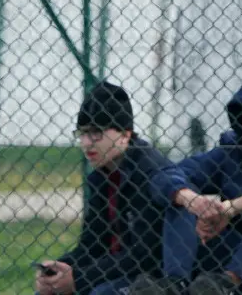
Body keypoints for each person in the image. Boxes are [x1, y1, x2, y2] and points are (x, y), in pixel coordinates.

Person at [129, 76, 242, 295]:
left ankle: (228, 283)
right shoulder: (231, 152)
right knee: (181, 193)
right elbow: (165, 176)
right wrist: (194, 201)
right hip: (224, 261)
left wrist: (231, 208)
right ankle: (175, 284)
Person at [35, 82, 180, 295]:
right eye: (82, 133)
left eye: (97, 132)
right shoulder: (102, 176)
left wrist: (79, 279)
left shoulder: (148, 171)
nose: (87, 142)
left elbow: (144, 255)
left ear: (125, 134)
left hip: (153, 278)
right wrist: (60, 269)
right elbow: (91, 245)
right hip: (114, 270)